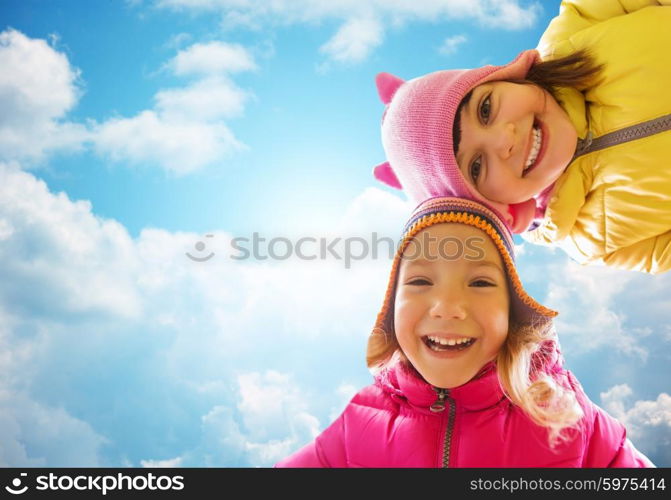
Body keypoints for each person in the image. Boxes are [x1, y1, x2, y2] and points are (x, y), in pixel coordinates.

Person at [275, 197, 654, 467]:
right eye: (421, 280)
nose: (448, 307)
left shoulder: (567, 416)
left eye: (481, 283)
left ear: (514, 311)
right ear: (390, 310)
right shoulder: (358, 423)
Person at [373, 0, 671, 274]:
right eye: (476, 166)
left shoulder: (577, 31)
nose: (504, 140)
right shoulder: (593, 240)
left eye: (486, 109)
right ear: (498, 207)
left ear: (507, 77)